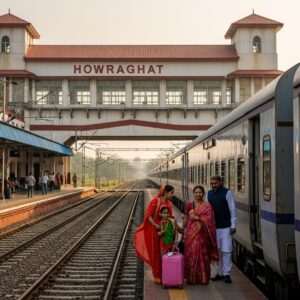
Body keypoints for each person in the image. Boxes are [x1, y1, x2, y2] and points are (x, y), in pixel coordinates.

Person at [134, 184, 175, 284]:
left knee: (166, 252)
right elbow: (148, 216)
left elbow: (171, 217)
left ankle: (167, 274)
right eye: (171, 193)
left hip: (166, 231)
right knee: (156, 253)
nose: (172, 195)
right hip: (156, 231)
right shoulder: (155, 201)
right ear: (165, 192)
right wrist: (156, 225)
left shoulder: (169, 203)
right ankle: (157, 275)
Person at [184, 185, 218, 284]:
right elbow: (186, 218)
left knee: (203, 255)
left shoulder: (207, 206)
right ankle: (192, 278)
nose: (198, 194)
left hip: (203, 234)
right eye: (196, 192)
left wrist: (198, 218)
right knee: (191, 254)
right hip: (191, 233)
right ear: (193, 193)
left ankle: (203, 278)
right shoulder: (189, 205)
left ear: (203, 193)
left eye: (200, 192)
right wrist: (182, 229)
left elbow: (210, 221)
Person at [208, 176, 237, 284]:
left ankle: (227, 274)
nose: (213, 185)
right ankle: (218, 273)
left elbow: (232, 209)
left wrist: (233, 225)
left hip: (225, 227)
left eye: (215, 183)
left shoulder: (227, 193)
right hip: (214, 227)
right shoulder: (209, 194)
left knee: (226, 250)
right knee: (217, 251)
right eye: (212, 183)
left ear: (220, 182)